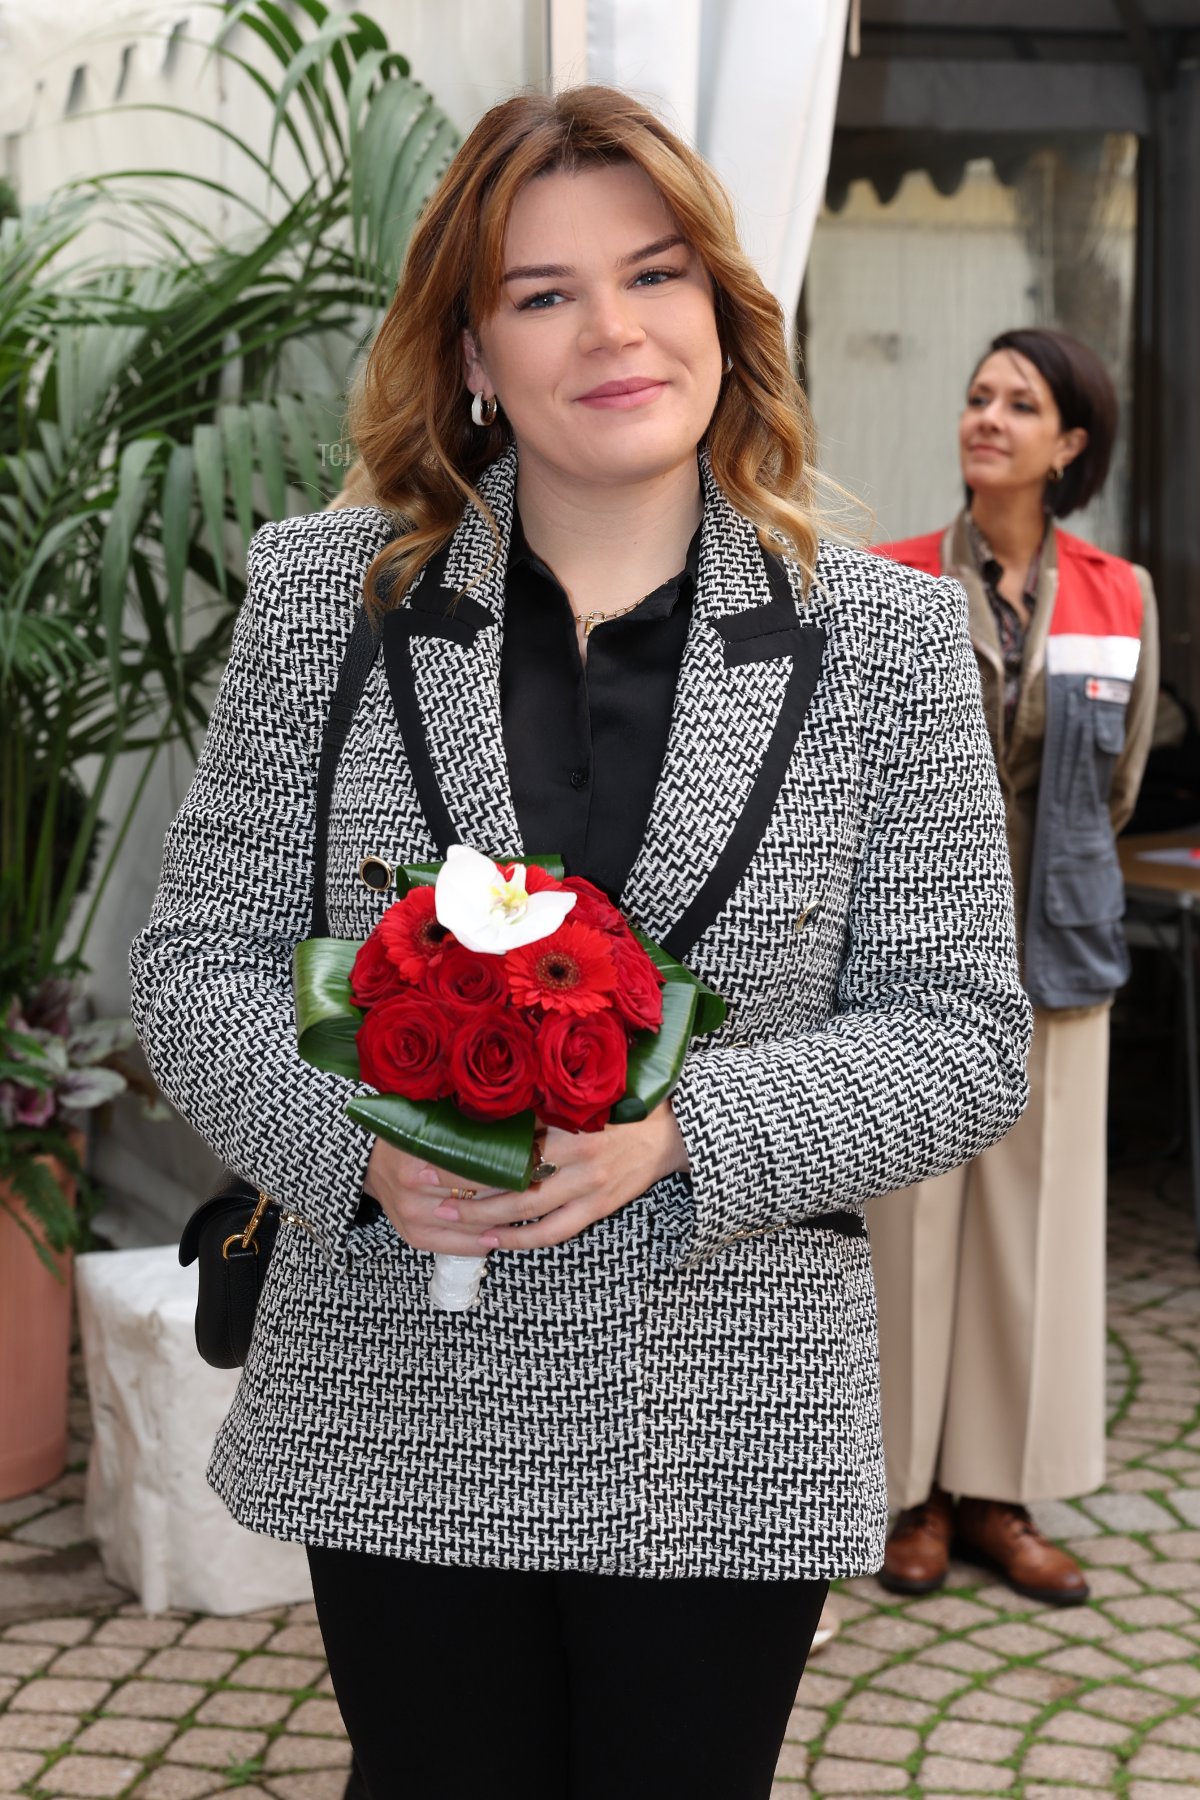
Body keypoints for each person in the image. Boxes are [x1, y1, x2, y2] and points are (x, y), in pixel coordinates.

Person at [130, 88, 1030, 1800]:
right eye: (543, 293)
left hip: (724, 1401)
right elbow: (198, 965)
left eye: (657, 274)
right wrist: (367, 1149)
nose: (613, 329)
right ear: (473, 350)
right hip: (397, 1386)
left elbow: (963, 1032)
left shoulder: (894, 642)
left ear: (722, 313)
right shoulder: (334, 596)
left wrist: (683, 1136)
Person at [869, 328, 1159, 1607]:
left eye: (1018, 402)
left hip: (1062, 949)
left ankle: (996, 1495)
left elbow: (1125, 773)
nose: (986, 416)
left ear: (1070, 442)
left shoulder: (1120, 594)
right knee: (912, 1225)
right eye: (976, 393)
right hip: (915, 964)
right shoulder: (890, 586)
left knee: (1030, 1231)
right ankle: (907, 1496)